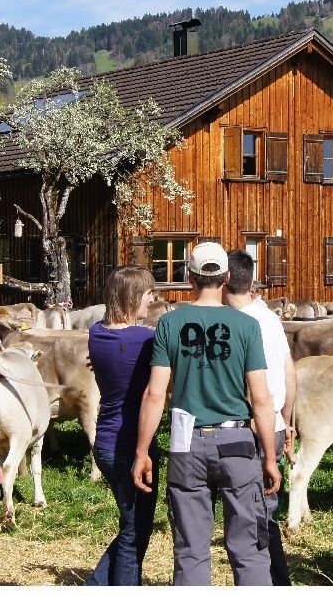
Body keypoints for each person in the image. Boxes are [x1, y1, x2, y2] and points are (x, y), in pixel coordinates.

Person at [132, 242, 281, 586]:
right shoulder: (247, 325)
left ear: (189, 277)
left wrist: (142, 451)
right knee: (249, 549)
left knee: (190, 550)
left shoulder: (170, 323)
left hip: (188, 442)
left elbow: (155, 394)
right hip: (237, 441)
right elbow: (260, 399)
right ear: (227, 278)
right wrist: (270, 457)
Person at [222, 250, 296, 586]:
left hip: (255, 427)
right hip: (275, 424)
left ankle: (272, 582)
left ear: (224, 281)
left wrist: (259, 424)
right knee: (264, 511)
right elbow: (289, 371)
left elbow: (256, 390)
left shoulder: (241, 324)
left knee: (252, 518)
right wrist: (287, 421)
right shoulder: (269, 317)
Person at [84, 266, 160, 586]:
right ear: (132, 296)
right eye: (148, 293)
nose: (152, 299)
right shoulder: (145, 339)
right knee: (134, 533)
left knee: (132, 527)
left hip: (105, 442)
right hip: (131, 444)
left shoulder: (96, 333)